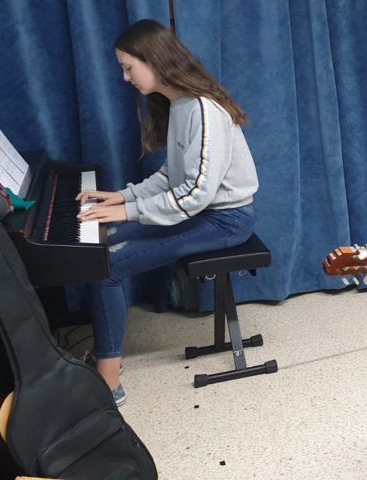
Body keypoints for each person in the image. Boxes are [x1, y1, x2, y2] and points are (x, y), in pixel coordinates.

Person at [75, 19, 258, 406]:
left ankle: (109, 379)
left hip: (226, 220)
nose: (125, 78)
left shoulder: (204, 111)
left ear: (155, 61)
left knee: (107, 267)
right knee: (100, 250)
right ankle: (105, 360)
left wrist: (129, 212)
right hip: (202, 214)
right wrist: (121, 198)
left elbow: (194, 193)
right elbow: (171, 176)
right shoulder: (180, 104)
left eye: (129, 67)